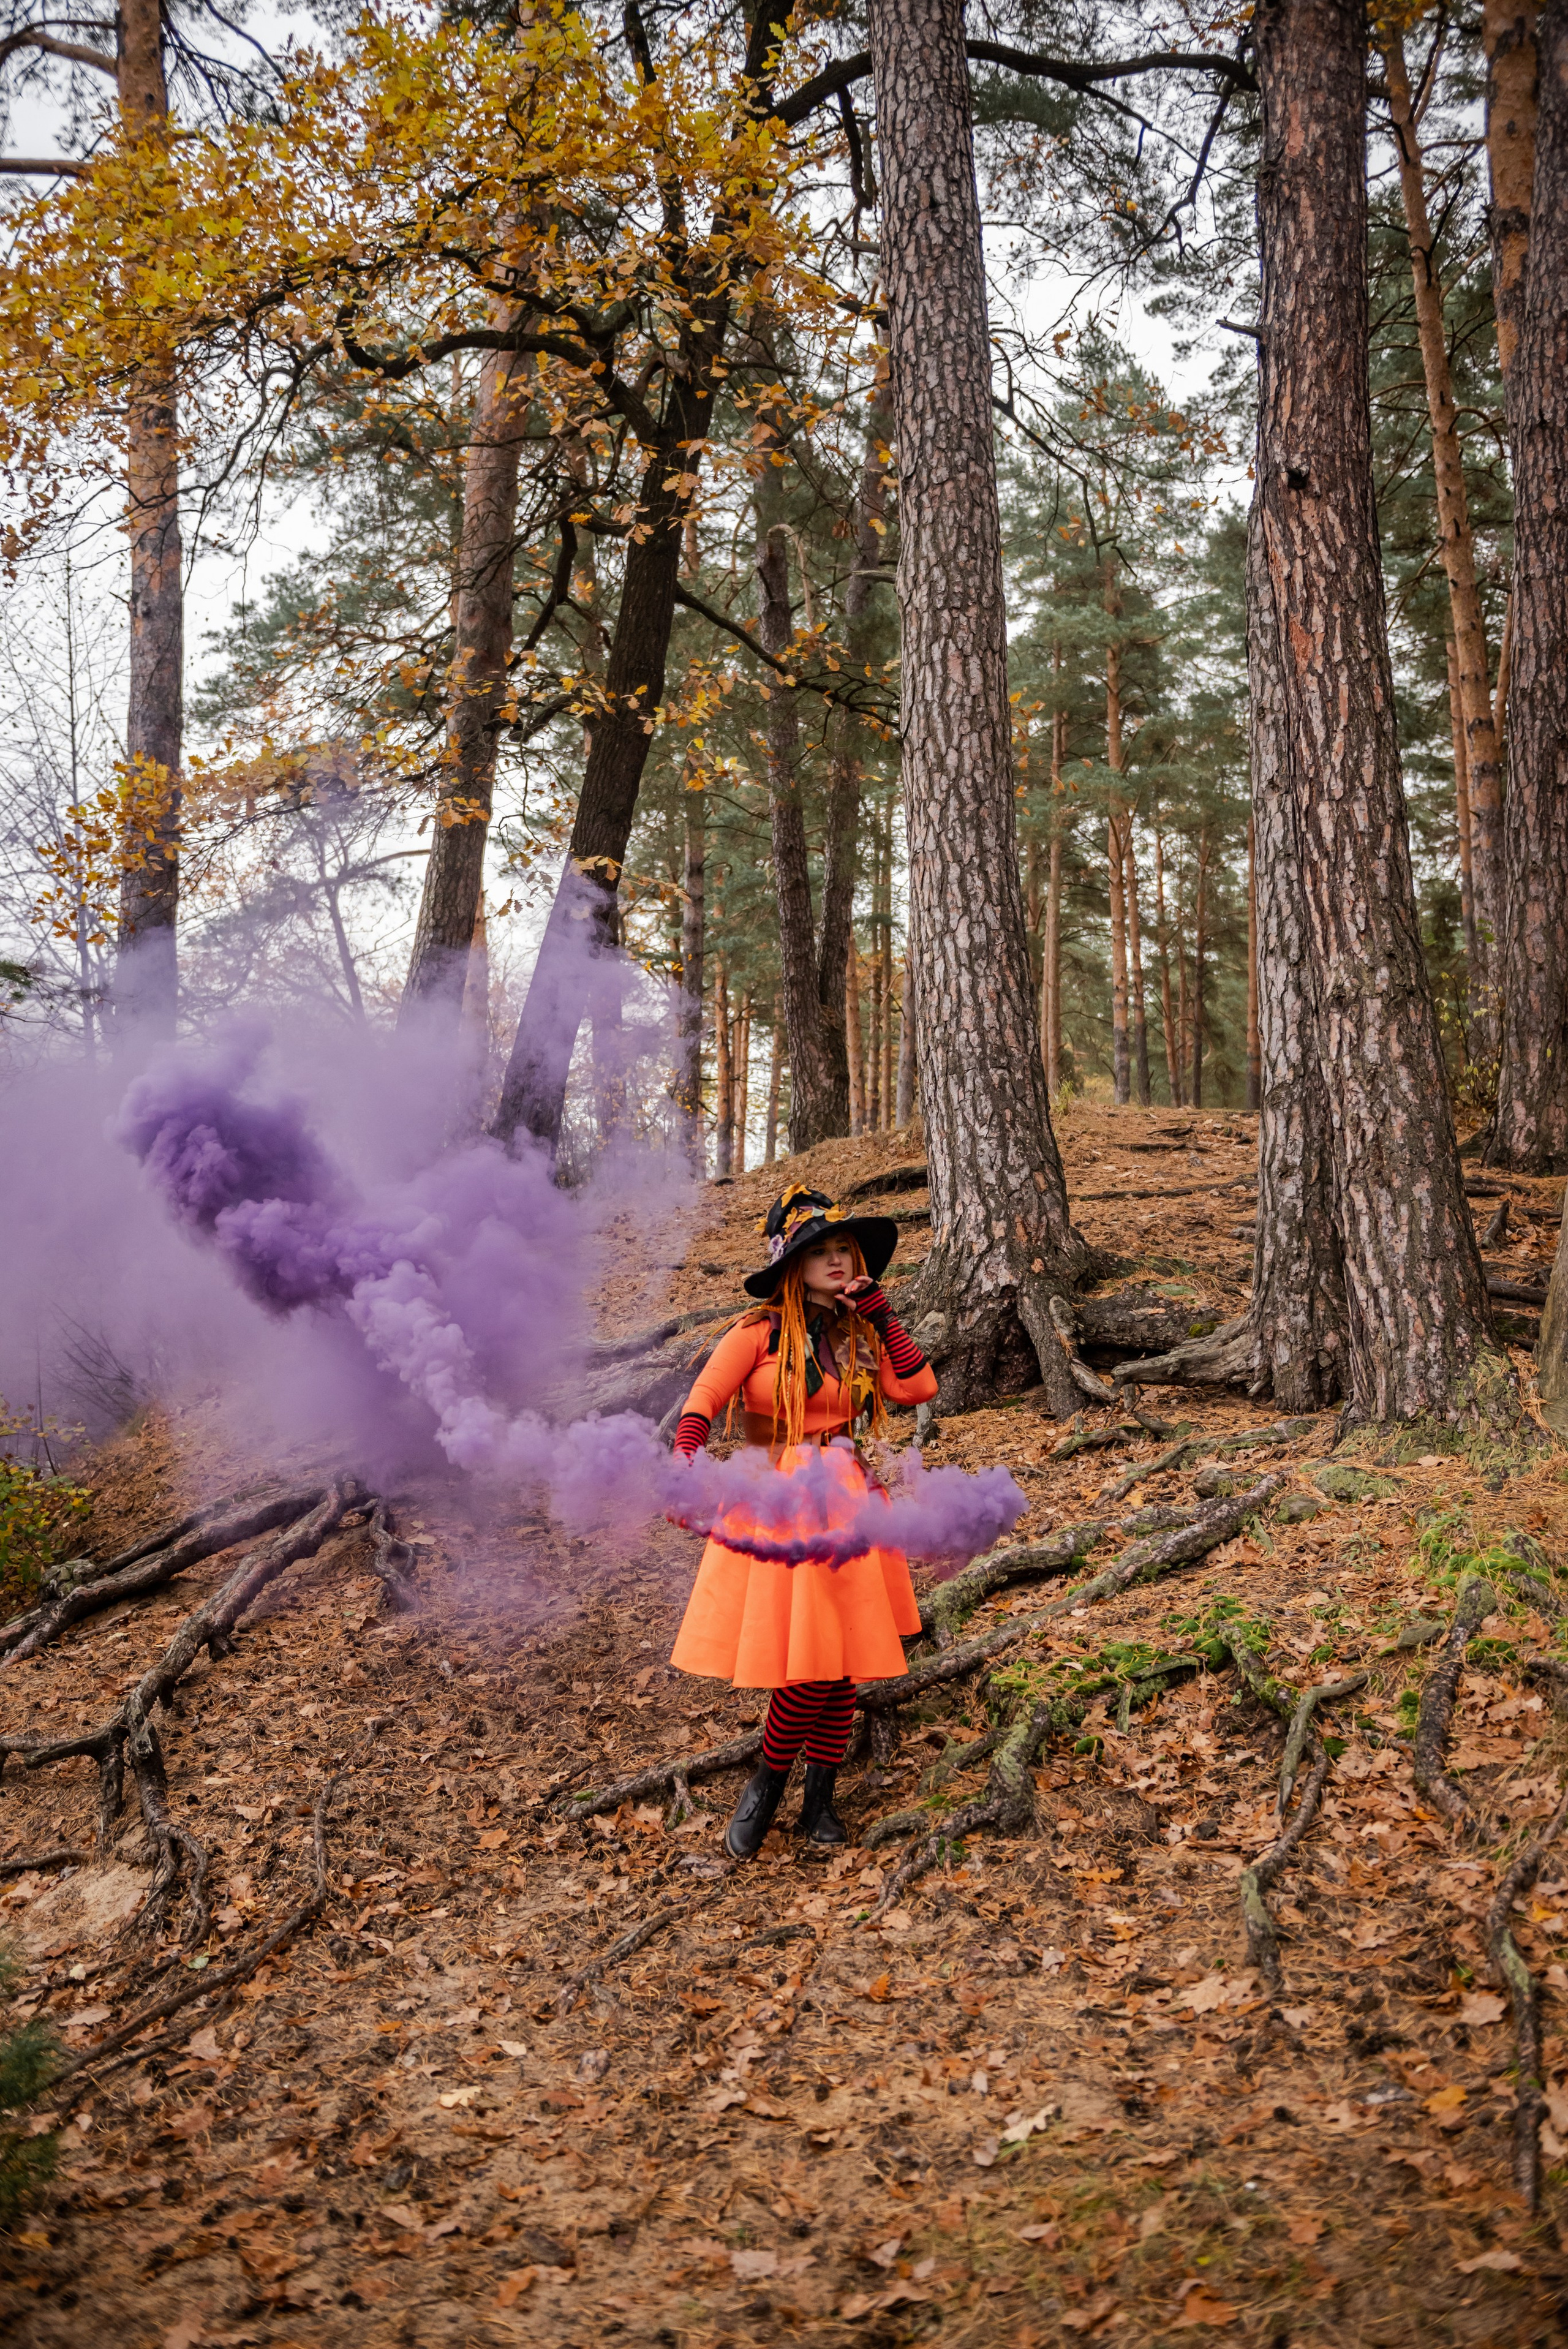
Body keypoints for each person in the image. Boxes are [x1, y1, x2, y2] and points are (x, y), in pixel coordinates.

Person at [668, 1183, 938, 1860]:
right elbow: (703, 1402)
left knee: (838, 1654)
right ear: (793, 1264)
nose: (838, 1258)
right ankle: (767, 1782)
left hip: (850, 1493)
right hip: (779, 1496)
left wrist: (882, 1313)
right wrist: (683, 1470)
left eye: (845, 1247)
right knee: (809, 1663)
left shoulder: (859, 1335)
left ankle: (818, 1799)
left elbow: (919, 1388)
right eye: (822, 1250)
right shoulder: (755, 1333)